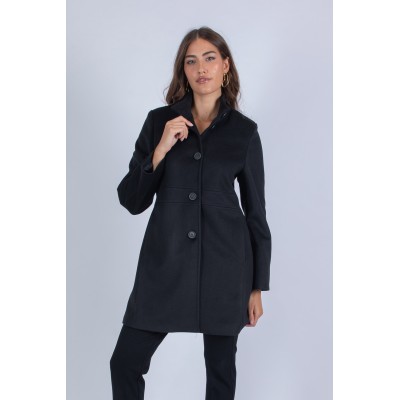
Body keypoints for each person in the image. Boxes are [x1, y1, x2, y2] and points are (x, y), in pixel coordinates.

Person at [110, 26, 272, 399]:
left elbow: (256, 214)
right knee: (125, 362)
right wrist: (160, 150)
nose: (201, 68)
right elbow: (131, 200)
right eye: (191, 61)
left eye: (210, 58)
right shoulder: (159, 122)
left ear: (225, 66)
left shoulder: (244, 132)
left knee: (220, 374)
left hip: (225, 268)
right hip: (164, 266)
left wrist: (257, 286)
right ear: (183, 70)